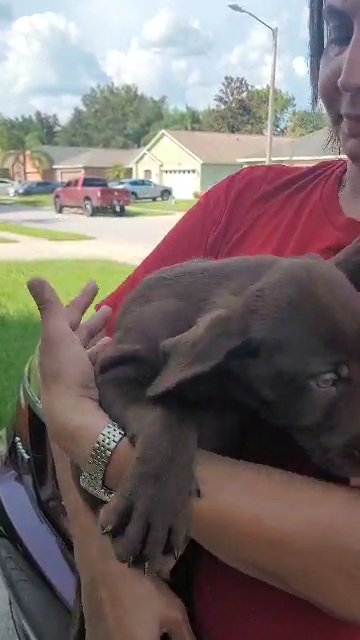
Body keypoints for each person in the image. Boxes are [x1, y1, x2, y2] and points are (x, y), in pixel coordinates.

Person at [28, 0, 360, 637]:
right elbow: (82, 370)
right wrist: (108, 573)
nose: (349, 76)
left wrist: (109, 449)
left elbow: (79, 414)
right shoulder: (242, 203)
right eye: (340, 32)